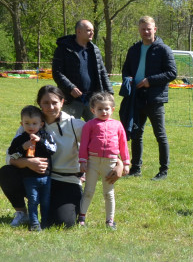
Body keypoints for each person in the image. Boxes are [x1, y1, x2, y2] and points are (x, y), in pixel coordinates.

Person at [2, 86, 86, 228]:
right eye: (45, 102)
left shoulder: (75, 125)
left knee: (63, 223)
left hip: (66, 180)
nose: (50, 107)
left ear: (62, 102)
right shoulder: (29, 124)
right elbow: (9, 157)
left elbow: (101, 144)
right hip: (34, 177)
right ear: (39, 103)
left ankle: (57, 207)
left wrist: (119, 163)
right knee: (6, 172)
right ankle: (22, 213)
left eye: (54, 102)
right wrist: (27, 163)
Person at [119, 16, 177, 180]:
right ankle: (135, 169)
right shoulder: (134, 49)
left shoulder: (164, 49)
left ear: (155, 29)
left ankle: (163, 171)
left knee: (160, 135)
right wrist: (128, 78)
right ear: (139, 30)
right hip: (136, 97)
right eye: (143, 29)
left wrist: (149, 81)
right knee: (136, 134)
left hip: (155, 98)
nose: (146, 32)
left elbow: (172, 73)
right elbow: (126, 70)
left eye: (149, 29)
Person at [77, 92, 129, 229]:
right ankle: (81, 218)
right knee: (88, 191)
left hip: (110, 163)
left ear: (112, 109)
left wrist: (126, 163)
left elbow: (123, 144)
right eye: (100, 109)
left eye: (106, 108)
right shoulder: (89, 125)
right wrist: (82, 160)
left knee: (108, 193)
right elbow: (83, 144)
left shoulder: (117, 125)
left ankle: (110, 221)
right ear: (93, 110)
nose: (103, 111)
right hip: (92, 162)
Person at [7, 106, 57, 231]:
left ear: (41, 124)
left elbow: (52, 150)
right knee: (33, 200)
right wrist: (22, 148)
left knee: (45, 201)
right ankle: (34, 223)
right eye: (27, 123)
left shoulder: (45, 136)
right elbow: (11, 155)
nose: (31, 126)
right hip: (29, 177)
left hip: (46, 176)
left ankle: (45, 222)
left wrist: (40, 141)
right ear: (21, 124)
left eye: (35, 123)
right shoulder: (20, 139)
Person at [51, 19, 112, 121]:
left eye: (92, 30)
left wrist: (109, 92)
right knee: (69, 131)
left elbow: (102, 72)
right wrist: (70, 88)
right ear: (79, 31)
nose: (92, 32)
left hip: (93, 100)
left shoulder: (95, 50)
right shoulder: (63, 49)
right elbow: (57, 72)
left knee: (97, 131)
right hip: (71, 100)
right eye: (88, 30)